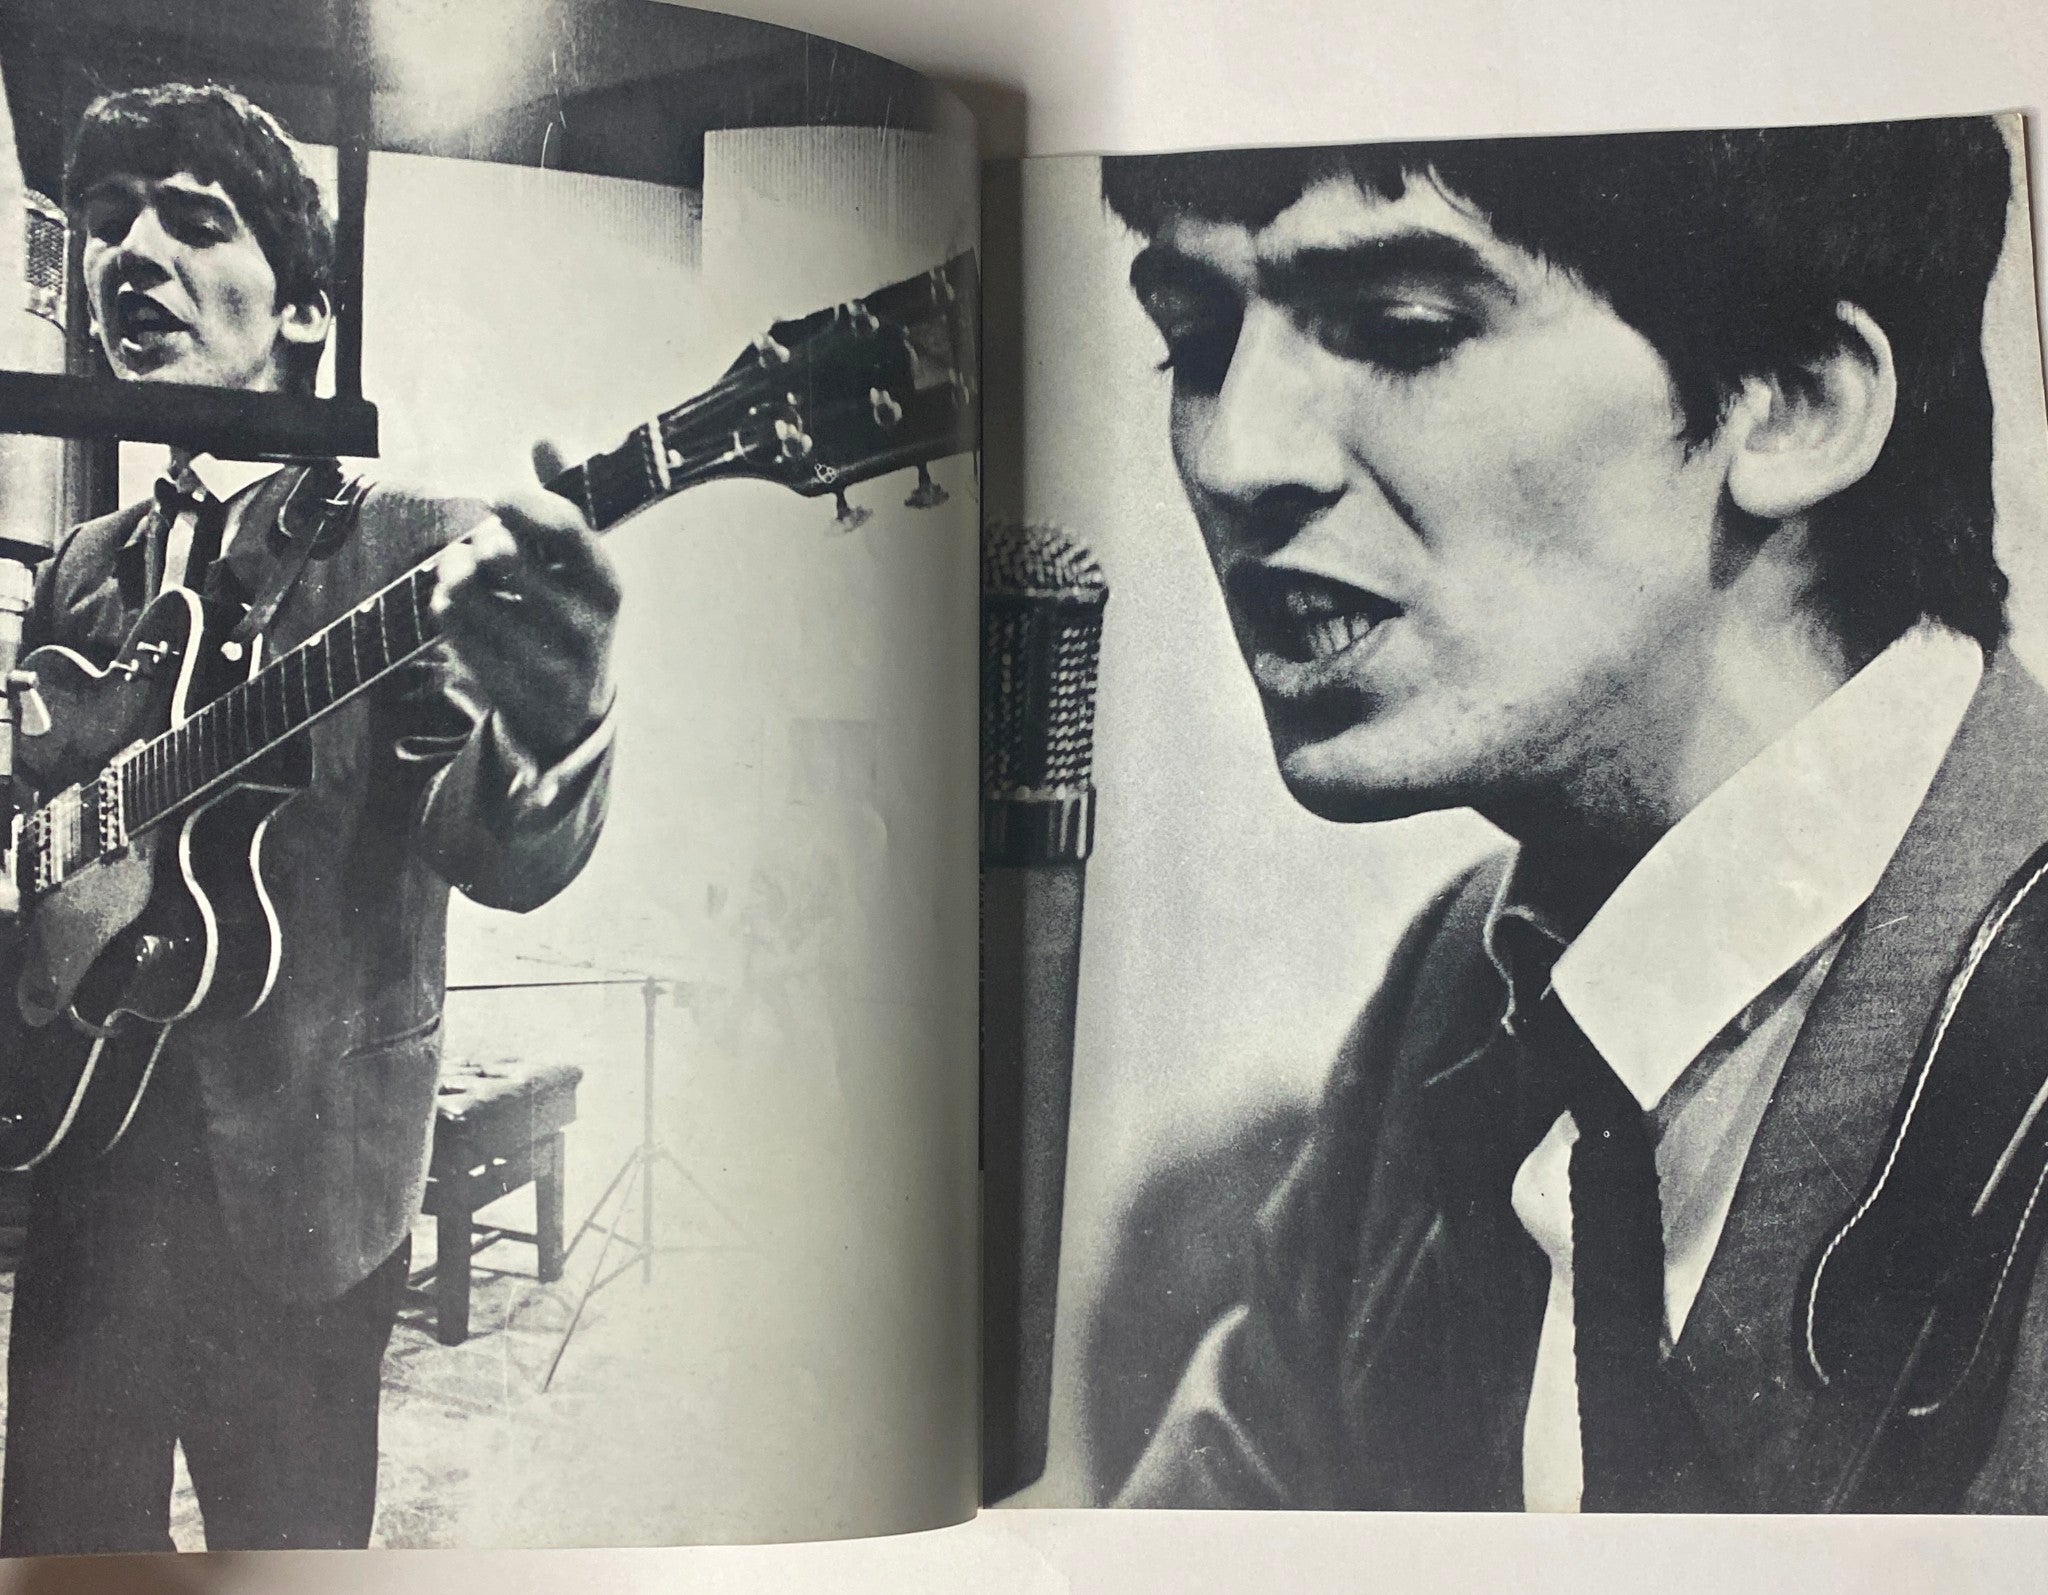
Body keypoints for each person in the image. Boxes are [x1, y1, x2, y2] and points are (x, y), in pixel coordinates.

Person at [1093, 118, 2048, 1511]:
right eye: (1195, 340)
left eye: (1400, 328)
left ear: (1795, 400)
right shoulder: (1459, 1001)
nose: (1239, 456)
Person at [0, 82, 618, 1551]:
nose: (128, 257)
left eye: (193, 223)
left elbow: (502, 855)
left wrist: (562, 720)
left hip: (301, 1184)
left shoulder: (416, 542)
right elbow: (50, 799)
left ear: (303, 315)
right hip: (82, 1154)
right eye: (104, 228)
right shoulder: (85, 561)